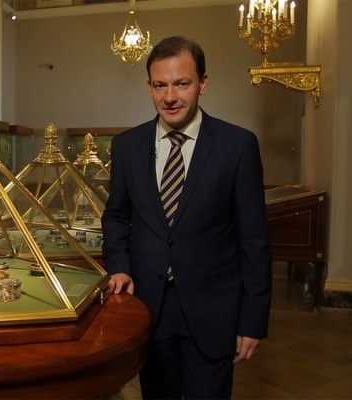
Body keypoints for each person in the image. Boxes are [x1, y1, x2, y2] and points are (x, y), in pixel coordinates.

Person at [101, 36, 272, 399]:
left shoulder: (237, 146)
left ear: (203, 84)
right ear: (149, 86)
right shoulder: (127, 146)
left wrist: (253, 320)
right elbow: (116, 216)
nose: (170, 97)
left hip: (214, 313)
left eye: (182, 83)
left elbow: (254, 240)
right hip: (149, 309)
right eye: (160, 85)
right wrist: (120, 267)